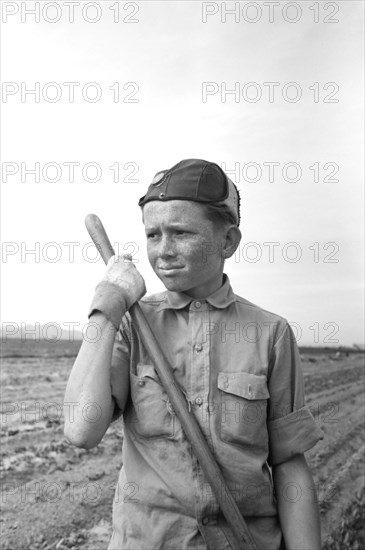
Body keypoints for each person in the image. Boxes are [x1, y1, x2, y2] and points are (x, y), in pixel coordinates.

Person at [63, 159, 324, 550]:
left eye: (181, 233)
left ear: (228, 241)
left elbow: (288, 462)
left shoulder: (270, 333)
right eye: (153, 235)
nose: (163, 251)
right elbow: (81, 430)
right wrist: (107, 305)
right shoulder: (133, 325)